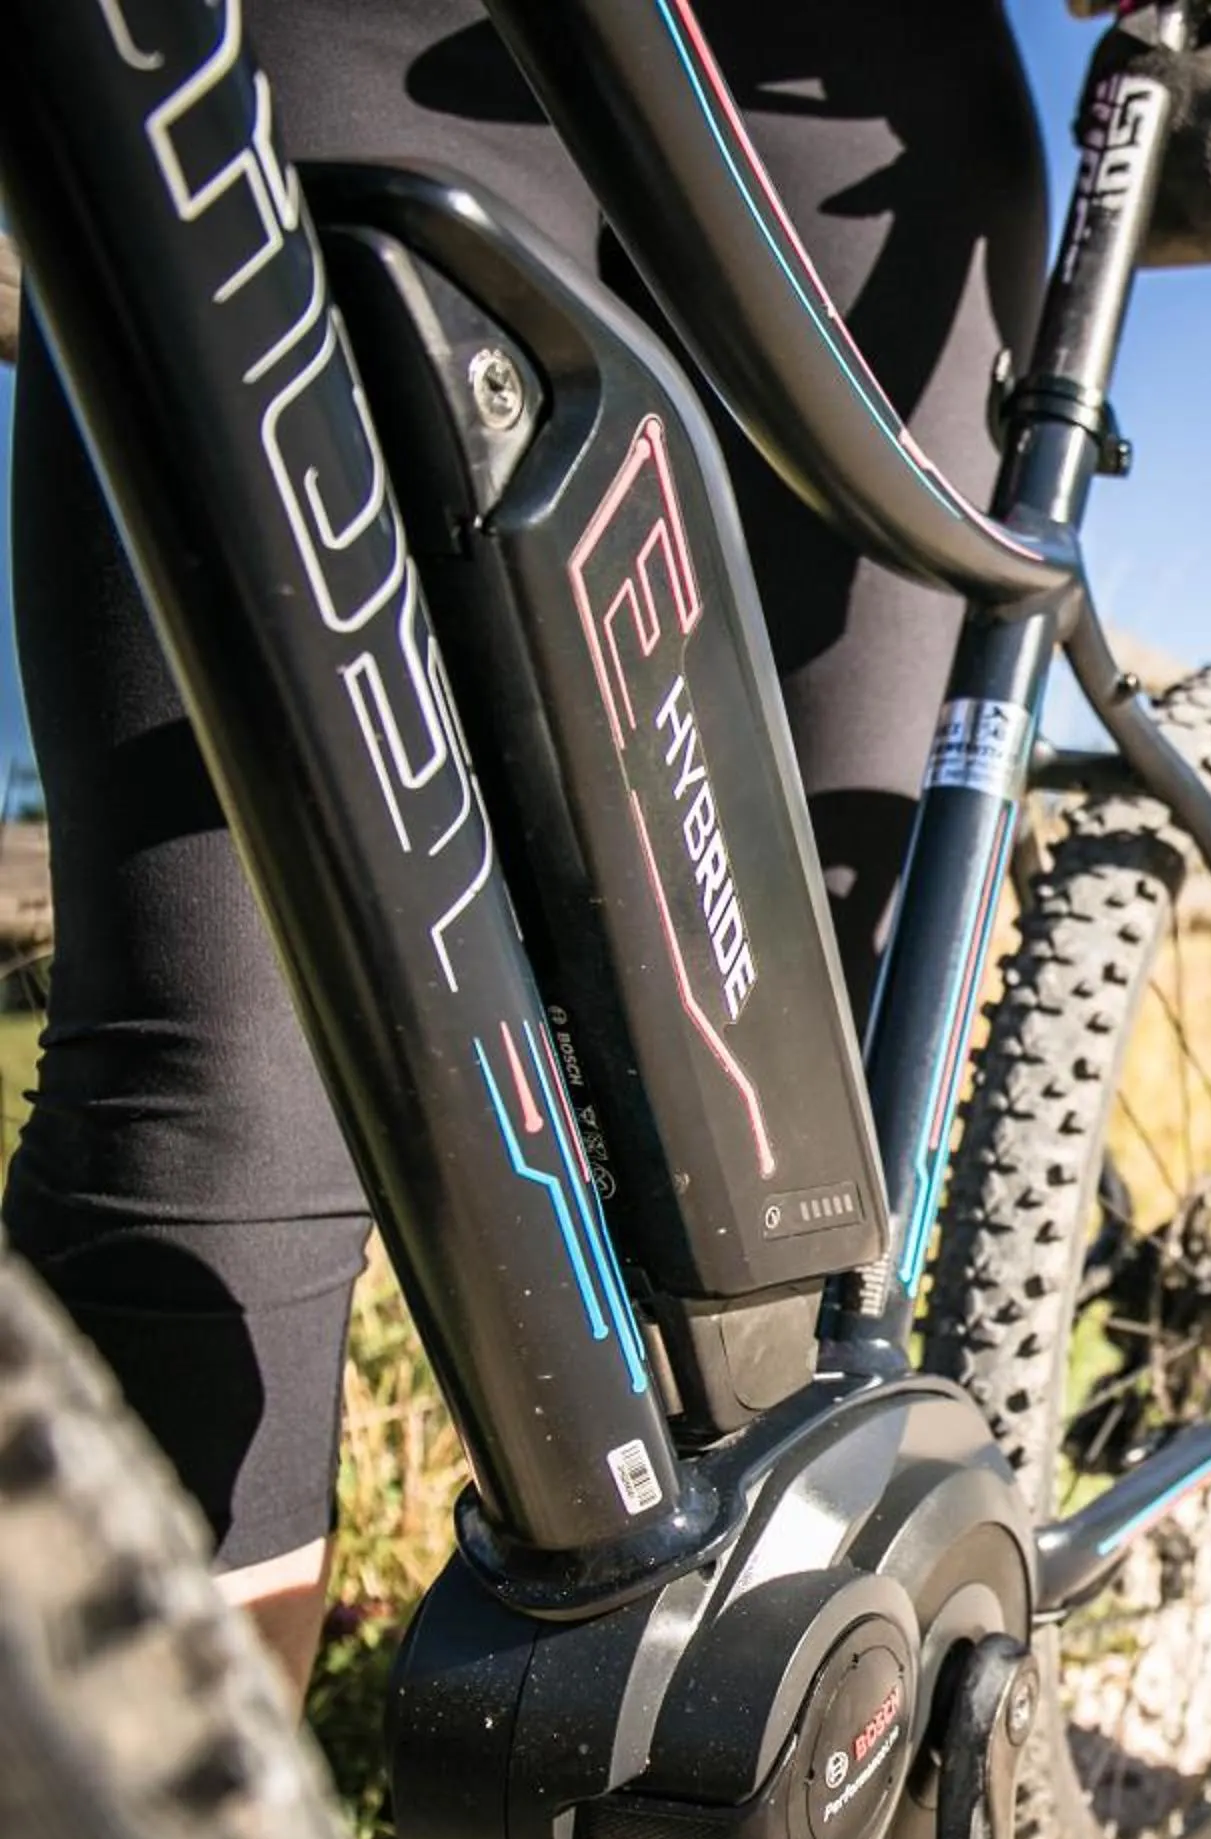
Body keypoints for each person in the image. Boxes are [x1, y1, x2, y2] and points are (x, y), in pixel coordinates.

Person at [5, 0, 1052, 1691]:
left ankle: (786, 1771)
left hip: (865, 120)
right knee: (230, 1068)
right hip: (339, 34)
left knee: (800, 1099)